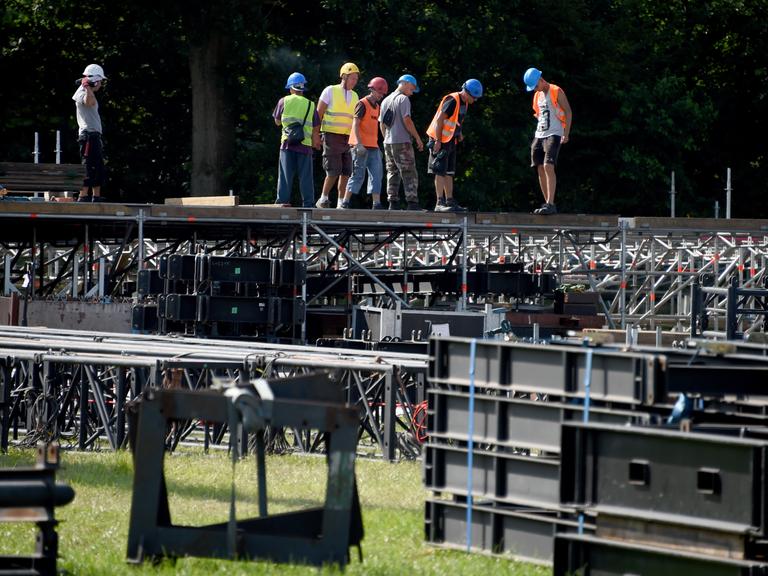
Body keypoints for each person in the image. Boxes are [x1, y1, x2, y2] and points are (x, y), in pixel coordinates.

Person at [426, 79, 483, 212]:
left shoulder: (465, 102)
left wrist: (459, 133)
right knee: (439, 170)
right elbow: (440, 120)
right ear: (467, 93)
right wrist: (438, 141)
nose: (475, 100)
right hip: (439, 139)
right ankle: (439, 203)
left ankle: (450, 201)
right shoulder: (453, 100)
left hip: (450, 139)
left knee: (449, 171)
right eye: (474, 97)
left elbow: (456, 121)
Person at [523, 67, 572, 215]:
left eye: (536, 86)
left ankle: (551, 203)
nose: (535, 89)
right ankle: (547, 204)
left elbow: (568, 112)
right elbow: (538, 114)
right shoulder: (537, 96)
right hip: (540, 134)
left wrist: (566, 133)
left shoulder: (556, 91)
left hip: (555, 133)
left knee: (548, 166)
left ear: (541, 79)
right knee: (539, 167)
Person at [315, 62, 360, 209]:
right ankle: (323, 199)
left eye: (356, 78)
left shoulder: (355, 96)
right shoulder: (330, 91)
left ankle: (341, 202)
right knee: (333, 170)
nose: (355, 81)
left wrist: (355, 140)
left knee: (346, 171)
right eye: (352, 78)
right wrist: (315, 135)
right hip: (331, 135)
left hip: (347, 138)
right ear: (344, 77)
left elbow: (355, 120)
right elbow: (318, 114)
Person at [339, 77, 388, 209]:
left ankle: (376, 203)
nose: (381, 96)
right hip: (360, 146)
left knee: (377, 174)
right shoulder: (362, 103)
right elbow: (355, 124)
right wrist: (358, 144)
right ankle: (345, 201)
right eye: (379, 92)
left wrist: (379, 147)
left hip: (373, 146)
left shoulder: (378, 107)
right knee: (357, 174)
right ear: (372, 90)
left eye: (383, 94)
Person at [273, 72, 321, 207]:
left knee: (285, 176)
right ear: (302, 88)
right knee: (306, 177)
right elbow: (316, 125)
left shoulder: (284, 101)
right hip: (305, 146)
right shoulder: (311, 105)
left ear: (290, 88)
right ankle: (308, 204)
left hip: (287, 145)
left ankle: (282, 202)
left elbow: (277, 122)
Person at [379, 74, 424, 210]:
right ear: (405, 83)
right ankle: (412, 203)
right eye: (412, 88)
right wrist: (417, 137)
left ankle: (393, 203)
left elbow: (381, 124)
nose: (412, 92)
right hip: (402, 142)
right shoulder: (403, 99)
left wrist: (386, 138)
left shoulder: (386, 100)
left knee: (392, 172)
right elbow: (407, 120)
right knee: (409, 171)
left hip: (388, 142)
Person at [72, 63, 107, 202]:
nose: (101, 85)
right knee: (87, 165)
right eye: (100, 82)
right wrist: (87, 87)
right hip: (88, 135)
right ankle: (83, 196)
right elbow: (89, 102)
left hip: (94, 135)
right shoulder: (82, 92)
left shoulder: (88, 91)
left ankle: (96, 196)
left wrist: (88, 88)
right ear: (95, 80)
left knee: (97, 165)